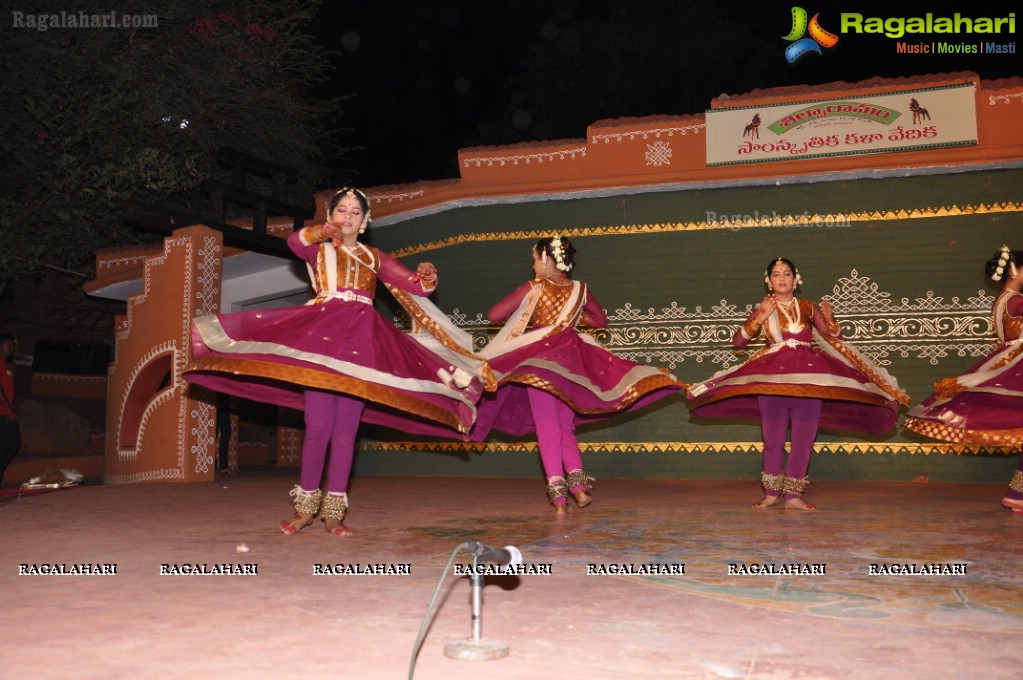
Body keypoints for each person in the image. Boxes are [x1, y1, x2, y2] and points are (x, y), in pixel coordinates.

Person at [185, 187, 481, 536]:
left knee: (345, 433)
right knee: (319, 427)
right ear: (331, 216)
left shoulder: (375, 258)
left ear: (365, 221)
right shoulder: (320, 250)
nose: (348, 216)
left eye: (356, 212)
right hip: (324, 341)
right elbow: (295, 243)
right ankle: (305, 509)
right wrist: (320, 233)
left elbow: (417, 286)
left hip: (361, 345)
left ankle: (334, 515)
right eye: (342, 210)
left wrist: (428, 274)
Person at [471, 236, 683, 515]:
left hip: (539, 364)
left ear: (547, 260)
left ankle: (559, 502)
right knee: (565, 427)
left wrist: (531, 307)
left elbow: (494, 314)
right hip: (570, 365)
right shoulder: (581, 289)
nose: (533, 265)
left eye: (534, 259)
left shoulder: (535, 287)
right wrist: (572, 319)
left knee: (548, 429)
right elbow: (600, 321)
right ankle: (579, 490)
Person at [687, 257, 909, 510]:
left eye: (786, 274)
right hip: (772, 381)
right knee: (773, 440)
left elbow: (833, 337)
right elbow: (738, 343)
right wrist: (759, 317)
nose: (781, 278)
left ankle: (793, 496)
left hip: (809, 381)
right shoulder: (765, 307)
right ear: (768, 281)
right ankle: (771, 494)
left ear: (796, 278)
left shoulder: (807, 306)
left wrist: (832, 320)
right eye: (776, 274)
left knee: (804, 440)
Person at [904, 245, 1023, 512]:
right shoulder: (1014, 300)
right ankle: (1017, 493)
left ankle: (1017, 493)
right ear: (1014, 270)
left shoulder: (1003, 299)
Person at [0, 333, 20, 487]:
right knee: (12, 443)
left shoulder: (6, 365)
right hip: (1, 412)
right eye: (8, 345)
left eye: (12, 345)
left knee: (9, 444)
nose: (11, 348)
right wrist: (8, 408)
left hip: (6, 411)